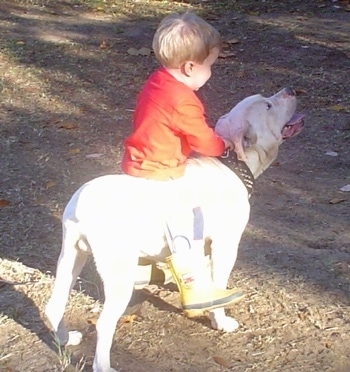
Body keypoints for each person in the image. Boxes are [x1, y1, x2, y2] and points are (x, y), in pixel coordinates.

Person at [121, 12, 243, 315]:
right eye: (210, 66)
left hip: (137, 161)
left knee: (149, 219)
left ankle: (138, 266)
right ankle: (194, 288)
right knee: (184, 222)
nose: (210, 73)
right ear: (190, 67)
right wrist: (221, 144)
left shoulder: (157, 82)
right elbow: (202, 139)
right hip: (161, 168)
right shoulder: (184, 100)